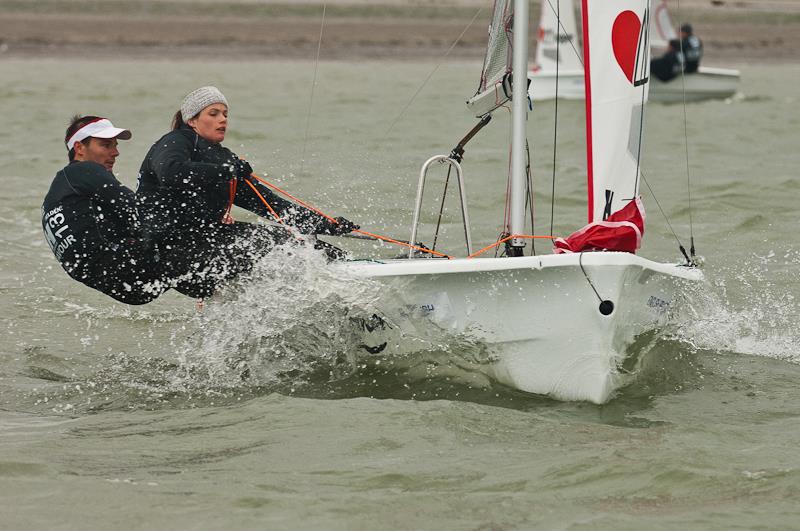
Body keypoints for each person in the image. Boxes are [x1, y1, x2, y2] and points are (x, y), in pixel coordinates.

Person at [136, 86, 358, 299]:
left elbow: (273, 207)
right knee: (284, 246)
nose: (222, 119)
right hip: (169, 250)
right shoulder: (175, 141)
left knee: (302, 242)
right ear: (192, 120)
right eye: (213, 114)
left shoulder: (223, 159)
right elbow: (171, 172)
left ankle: (345, 271)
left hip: (209, 240)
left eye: (225, 114)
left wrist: (325, 223)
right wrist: (228, 171)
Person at [42, 116, 168, 305]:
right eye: (106, 145)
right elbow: (136, 207)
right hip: (127, 266)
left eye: (115, 145)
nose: (116, 152)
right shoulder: (84, 170)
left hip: (123, 288)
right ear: (79, 148)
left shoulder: (57, 194)